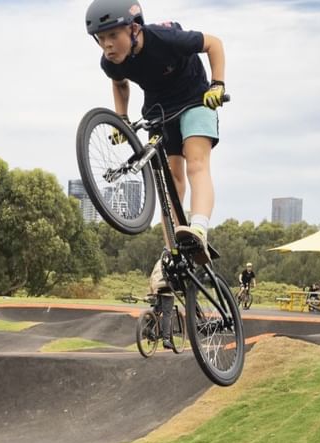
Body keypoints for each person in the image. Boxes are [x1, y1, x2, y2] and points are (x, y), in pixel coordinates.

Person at [85, 0, 226, 265]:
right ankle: (172, 250)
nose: (107, 45)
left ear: (134, 28)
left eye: (113, 35)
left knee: (196, 164)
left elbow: (214, 44)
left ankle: (198, 229)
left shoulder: (165, 38)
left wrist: (217, 84)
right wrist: (121, 118)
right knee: (171, 180)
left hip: (196, 99)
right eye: (101, 39)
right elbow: (120, 84)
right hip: (159, 111)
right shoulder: (111, 62)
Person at [147, 254, 176, 350]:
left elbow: (152, 275)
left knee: (157, 308)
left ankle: (148, 328)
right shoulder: (174, 259)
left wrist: (152, 291)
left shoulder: (159, 261)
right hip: (166, 286)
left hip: (156, 285)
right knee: (167, 313)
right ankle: (166, 339)